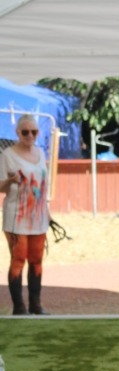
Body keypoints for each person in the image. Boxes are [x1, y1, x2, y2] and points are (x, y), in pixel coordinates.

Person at [0, 114, 50, 315]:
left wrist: (47, 212)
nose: (30, 136)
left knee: (37, 259)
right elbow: (0, 186)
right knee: (18, 259)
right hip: (16, 215)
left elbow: (43, 187)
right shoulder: (8, 155)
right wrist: (10, 181)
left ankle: (36, 304)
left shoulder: (40, 153)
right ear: (18, 133)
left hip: (38, 215)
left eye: (34, 132)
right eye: (26, 132)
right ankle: (19, 307)